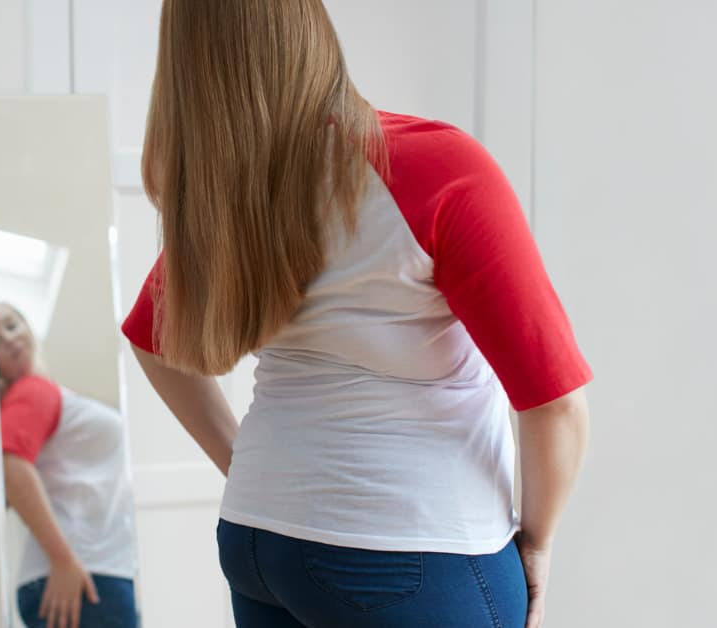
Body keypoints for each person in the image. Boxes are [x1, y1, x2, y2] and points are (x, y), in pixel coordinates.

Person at [121, 2, 592, 627]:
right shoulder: (435, 169)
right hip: (413, 549)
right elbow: (554, 403)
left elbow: (150, 339)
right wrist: (538, 541)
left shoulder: (229, 196)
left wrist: (241, 463)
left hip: (259, 536)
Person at [0, 303, 138, 628]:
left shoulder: (43, 394)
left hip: (91, 571)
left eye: (11, 326)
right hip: (84, 576)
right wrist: (63, 560)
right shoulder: (32, 390)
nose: (9, 339)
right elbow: (11, 465)